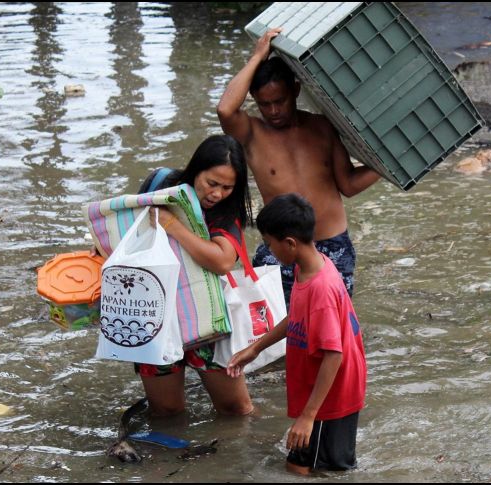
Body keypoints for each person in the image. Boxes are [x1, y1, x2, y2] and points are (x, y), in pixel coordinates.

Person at [217, 27, 381, 305]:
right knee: (277, 331)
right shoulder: (252, 134)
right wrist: (258, 57)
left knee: (333, 326)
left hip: (332, 245)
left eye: (279, 101)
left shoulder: (322, 126)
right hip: (282, 247)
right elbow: (225, 109)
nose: (273, 111)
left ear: (295, 89)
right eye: (264, 104)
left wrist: (384, 166)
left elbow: (349, 185)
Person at [227, 193, 366, 475]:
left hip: (333, 397)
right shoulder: (307, 267)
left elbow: (333, 355)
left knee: (329, 471)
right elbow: (297, 318)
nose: (269, 250)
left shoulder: (322, 289)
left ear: (289, 243)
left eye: (270, 243)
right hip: (320, 391)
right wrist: (256, 347)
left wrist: (308, 416)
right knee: (297, 467)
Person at [134, 134, 255, 417]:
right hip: (155, 315)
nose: (217, 194)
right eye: (211, 183)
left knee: (236, 409)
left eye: (227, 187)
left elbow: (223, 261)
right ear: (195, 170)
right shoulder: (161, 184)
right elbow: (131, 228)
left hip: (206, 319)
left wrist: (173, 226)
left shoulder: (227, 208)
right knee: (166, 411)